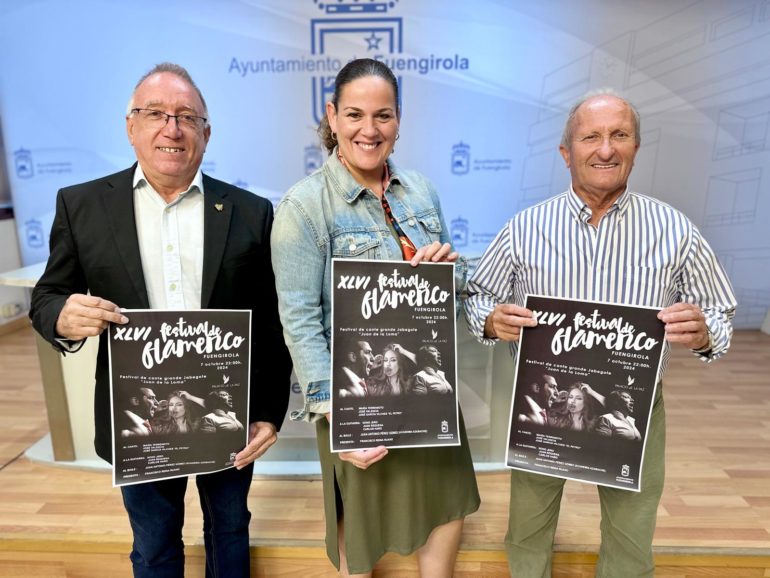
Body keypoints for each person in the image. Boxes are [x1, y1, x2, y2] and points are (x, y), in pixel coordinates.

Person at [30, 62, 292, 577]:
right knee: (153, 543)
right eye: (155, 114)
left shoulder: (251, 211)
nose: (172, 128)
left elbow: (271, 322)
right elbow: (47, 297)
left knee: (230, 530)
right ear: (131, 126)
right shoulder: (82, 206)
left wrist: (268, 411)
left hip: (225, 414)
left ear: (206, 134)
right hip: (139, 419)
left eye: (187, 117)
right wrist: (60, 315)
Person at [464, 89, 737, 577]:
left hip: (632, 410)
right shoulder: (525, 228)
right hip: (547, 409)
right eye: (591, 137)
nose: (606, 149)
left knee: (631, 537)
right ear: (566, 152)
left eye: (619, 135)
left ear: (636, 147)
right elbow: (478, 295)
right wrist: (489, 320)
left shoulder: (675, 230)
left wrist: (703, 331)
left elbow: (719, 312)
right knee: (527, 531)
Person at [271, 58, 480, 577]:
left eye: (383, 115)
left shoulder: (422, 191)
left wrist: (447, 271)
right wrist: (337, 415)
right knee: (360, 529)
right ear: (332, 116)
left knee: (445, 501)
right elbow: (299, 319)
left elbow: (452, 290)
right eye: (355, 115)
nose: (370, 129)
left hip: (428, 390)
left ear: (398, 120)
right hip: (358, 402)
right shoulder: (303, 207)